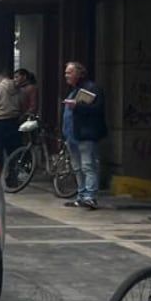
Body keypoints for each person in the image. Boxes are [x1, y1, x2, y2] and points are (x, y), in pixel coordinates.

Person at [62, 61, 108, 210]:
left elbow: (97, 109)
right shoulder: (74, 90)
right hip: (72, 135)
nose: (66, 75)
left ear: (79, 73)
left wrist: (77, 106)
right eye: (66, 72)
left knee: (88, 165)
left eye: (69, 72)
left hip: (85, 134)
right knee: (77, 167)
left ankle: (90, 196)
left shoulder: (91, 88)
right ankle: (81, 195)